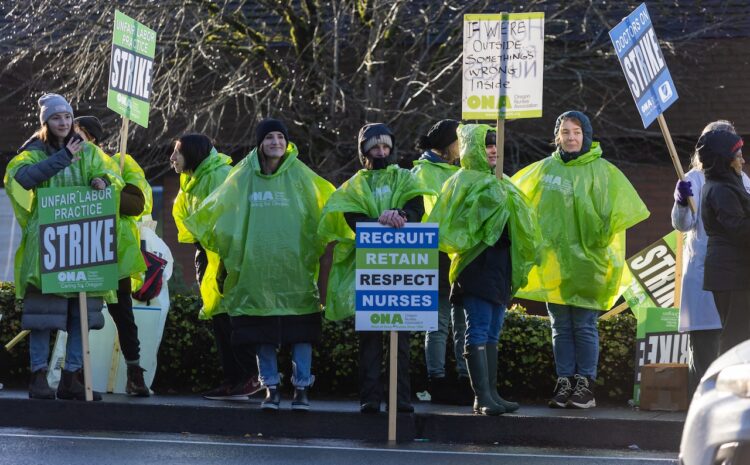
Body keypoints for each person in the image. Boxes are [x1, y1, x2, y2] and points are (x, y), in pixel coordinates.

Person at [185, 118, 336, 411]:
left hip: (294, 269)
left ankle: (302, 389)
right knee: (262, 330)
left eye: (280, 137)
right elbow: (219, 209)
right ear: (260, 143)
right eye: (269, 138)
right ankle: (271, 389)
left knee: (301, 330)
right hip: (255, 268)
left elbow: (327, 203)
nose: (276, 142)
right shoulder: (243, 175)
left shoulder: (301, 175)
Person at [512, 111, 650, 409]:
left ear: (586, 135)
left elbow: (622, 211)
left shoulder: (603, 171)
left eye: (576, 132)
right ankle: (565, 381)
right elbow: (516, 197)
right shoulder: (545, 170)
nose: (571, 137)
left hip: (589, 263)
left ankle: (584, 385)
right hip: (555, 264)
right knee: (560, 325)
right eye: (565, 132)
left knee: (584, 325)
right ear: (557, 136)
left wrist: (598, 233)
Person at [4, 94, 124, 400]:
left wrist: (103, 181)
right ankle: (38, 377)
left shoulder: (88, 151)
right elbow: (23, 179)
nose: (64, 123)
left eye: (68, 117)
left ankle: (71, 377)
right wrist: (63, 158)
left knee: (80, 315)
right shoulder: (32, 151)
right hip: (48, 245)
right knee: (44, 315)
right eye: (57, 118)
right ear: (46, 122)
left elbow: (111, 173)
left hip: (83, 243)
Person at [319, 123, 433, 414]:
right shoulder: (354, 186)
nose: (382, 152)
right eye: (375, 147)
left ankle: (401, 397)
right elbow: (351, 219)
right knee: (369, 334)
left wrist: (400, 214)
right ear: (364, 151)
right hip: (369, 271)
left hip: (404, 269)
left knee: (401, 336)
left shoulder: (405, 178)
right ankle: (370, 397)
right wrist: (382, 221)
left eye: (386, 147)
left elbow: (417, 209)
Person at [428, 124, 539, 415]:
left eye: (496, 145)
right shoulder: (460, 181)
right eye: (487, 144)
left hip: (500, 266)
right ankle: (482, 397)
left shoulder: (502, 182)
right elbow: (452, 226)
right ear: (474, 148)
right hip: (474, 266)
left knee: (492, 332)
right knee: (477, 329)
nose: (493, 150)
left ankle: (492, 394)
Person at [171, 133, 260, 400]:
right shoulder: (193, 178)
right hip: (209, 255)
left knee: (232, 317)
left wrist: (226, 264)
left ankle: (248, 378)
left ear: (194, 154)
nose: (172, 158)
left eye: (177, 152)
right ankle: (234, 380)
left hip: (224, 256)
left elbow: (231, 220)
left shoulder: (219, 175)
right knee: (220, 318)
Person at [671, 120, 750, 395]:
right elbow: (683, 224)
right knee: (706, 350)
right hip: (707, 268)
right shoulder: (692, 179)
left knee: (734, 345)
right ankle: (702, 407)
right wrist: (681, 203)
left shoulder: (743, 179)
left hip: (737, 272)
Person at [74, 115, 151, 396]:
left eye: (78, 132)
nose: (73, 137)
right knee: (80, 314)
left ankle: (134, 372)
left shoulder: (120, 163)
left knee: (123, 315)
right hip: (80, 249)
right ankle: (76, 372)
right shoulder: (64, 163)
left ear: (92, 138)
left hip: (114, 251)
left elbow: (139, 203)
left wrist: (109, 190)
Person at [411, 119, 470, 405]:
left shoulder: (459, 171)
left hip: (455, 254)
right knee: (440, 322)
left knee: (454, 321)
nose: (464, 148)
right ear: (448, 145)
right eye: (460, 142)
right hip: (436, 255)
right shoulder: (423, 172)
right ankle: (439, 379)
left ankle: (458, 378)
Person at [697, 129, 750, 355]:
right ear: (725, 161)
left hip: (734, 272)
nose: (743, 160)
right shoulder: (721, 190)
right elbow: (740, 229)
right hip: (731, 274)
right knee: (736, 339)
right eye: (738, 156)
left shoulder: (729, 184)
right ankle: (728, 387)